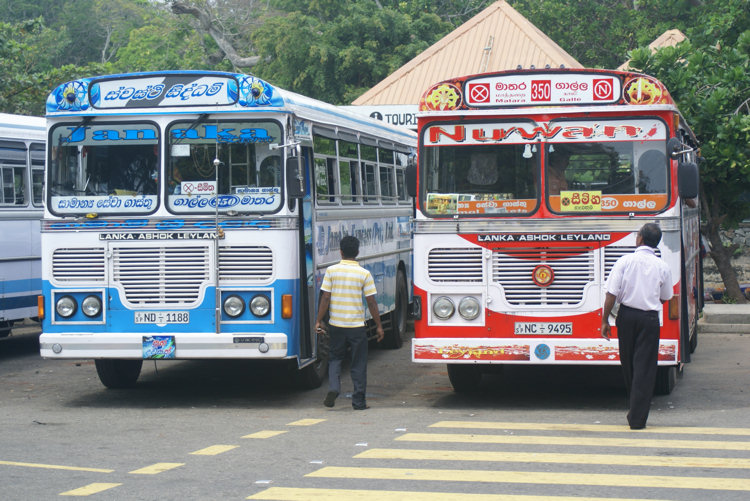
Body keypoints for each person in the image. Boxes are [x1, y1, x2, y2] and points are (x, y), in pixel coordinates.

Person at [601, 223, 673, 429]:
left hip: (626, 316)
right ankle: (637, 414)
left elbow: (611, 294)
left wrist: (605, 320)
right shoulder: (662, 266)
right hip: (649, 319)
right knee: (645, 367)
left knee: (629, 363)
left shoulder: (624, 261)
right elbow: (665, 297)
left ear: (639, 238)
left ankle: (635, 413)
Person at [315, 235, 384, 410]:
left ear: (340, 252)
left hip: (336, 324)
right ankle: (359, 401)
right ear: (358, 252)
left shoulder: (331, 271)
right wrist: (379, 325)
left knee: (335, 358)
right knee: (358, 362)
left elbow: (325, 298)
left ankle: (334, 387)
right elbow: (371, 302)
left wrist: (318, 320)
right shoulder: (364, 274)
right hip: (357, 327)